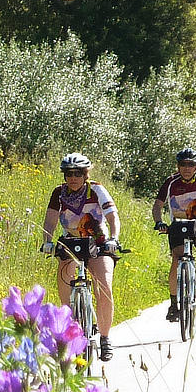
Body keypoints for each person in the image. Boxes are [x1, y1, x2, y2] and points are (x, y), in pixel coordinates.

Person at [41, 152, 120, 361]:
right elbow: (50, 221)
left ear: (85, 175)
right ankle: (70, 328)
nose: (73, 178)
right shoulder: (59, 193)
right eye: (68, 174)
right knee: (64, 280)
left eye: (77, 173)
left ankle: (104, 338)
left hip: (98, 242)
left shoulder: (96, 190)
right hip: (71, 243)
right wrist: (47, 242)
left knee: (104, 285)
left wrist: (114, 237)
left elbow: (112, 216)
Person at [153, 149, 196, 321]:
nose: (187, 168)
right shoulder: (171, 182)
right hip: (179, 224)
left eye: (191, 164)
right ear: (178, 166)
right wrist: (159, 221)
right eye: (183, 164)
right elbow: (157, 205)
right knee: (177, 258)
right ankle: (174, 303)